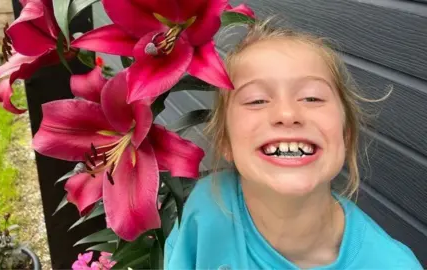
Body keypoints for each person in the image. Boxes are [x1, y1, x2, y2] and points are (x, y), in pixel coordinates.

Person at [164, 18, 423, 269]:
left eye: (312, 98)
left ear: (346, 134)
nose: (287, 115)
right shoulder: (204, 206)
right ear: (225, 141)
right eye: (256, 100)